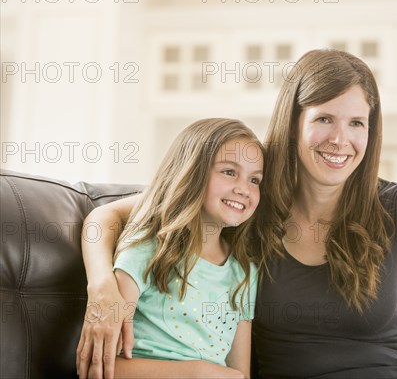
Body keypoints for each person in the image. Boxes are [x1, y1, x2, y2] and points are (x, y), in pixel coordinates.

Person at [76, 50, 397, 379]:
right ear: (293, 122)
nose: (341, 139)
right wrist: (102, 287)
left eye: (357, 122)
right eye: (324, 119)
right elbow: (109, 217)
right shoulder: (245, 195)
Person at [77, 118, 264, 379]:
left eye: (255, 180)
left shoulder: (244, 272)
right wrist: (194, 373)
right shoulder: (148, 248)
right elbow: (101, 368)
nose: (244, 188)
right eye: (229, 172)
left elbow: (239, 374)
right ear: (192, 172)